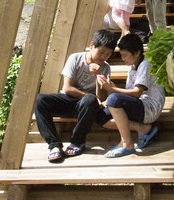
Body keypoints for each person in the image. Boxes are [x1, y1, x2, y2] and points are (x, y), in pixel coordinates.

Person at [34, 29, 119, 163]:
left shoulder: (105, 68)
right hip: (69, 101)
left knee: (90, 100)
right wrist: (88, 95)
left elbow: (100, 98)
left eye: (108, 54)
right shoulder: (76, 58)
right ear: (92, 46)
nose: (103, 57)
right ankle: (54, 145)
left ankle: (77, 142)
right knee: (40, 100)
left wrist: (98, 76)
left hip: (87, 107)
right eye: (101, 52)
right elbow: (68, 88)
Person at [97, 33, 165, 158]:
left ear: (137, 52)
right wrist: (111, 90)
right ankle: (141, 128)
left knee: (113, 99)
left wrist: (113, 90)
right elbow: (128, 95)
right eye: (121, 55)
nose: (123, 59)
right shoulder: (132, 67)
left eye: (125, 55)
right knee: (100, 115)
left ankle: (127, 143)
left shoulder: (145, 65)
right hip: (140, 105)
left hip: (149, 108)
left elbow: (137, 92)